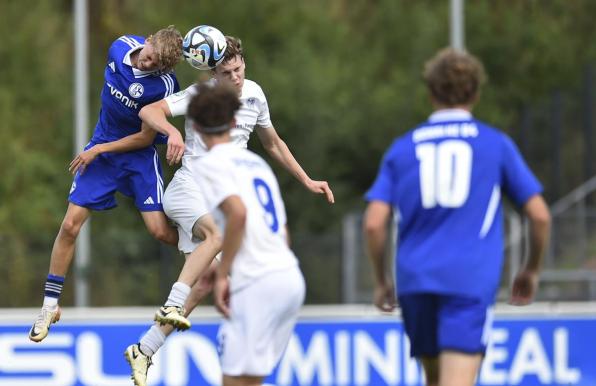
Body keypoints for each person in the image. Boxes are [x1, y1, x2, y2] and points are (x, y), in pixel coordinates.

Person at [72, 34, 333, 385]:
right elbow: (149, 110)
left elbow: (273, 142)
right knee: (215, 241)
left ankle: (145, 349)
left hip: (224, 192)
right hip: (191, 187)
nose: (235, 78)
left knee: (203, 280)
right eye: (226, 73)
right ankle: (172, 303)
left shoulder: (254, 95)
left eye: (238, 69)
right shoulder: (202, 95)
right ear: (213, 73)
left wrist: (306, 180)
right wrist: (172, 133)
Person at [363, 47, 551, 386]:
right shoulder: (495, 144)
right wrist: (531, 269)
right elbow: (538, 216)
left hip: (415, 280)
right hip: (467, 280)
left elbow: (374, 222)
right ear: (477, 92)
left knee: (435, 380)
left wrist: (381, 281)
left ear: (431, 92)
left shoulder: (403, 147)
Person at [28, 26, 184, 343]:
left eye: (156, 66)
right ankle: (50, 306)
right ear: (148, 40)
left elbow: (144, 137)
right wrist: (98, 147)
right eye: (149, 58)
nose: (148, 65)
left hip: (138, 156)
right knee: (70, 225)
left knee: (160, 231)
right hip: (102, 147)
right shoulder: (119, 47)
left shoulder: (166, 85)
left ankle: (207, 250)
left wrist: (98, 149)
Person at [195, 80, 305, 386]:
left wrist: (222, 273)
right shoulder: (256, 163)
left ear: (196, 128)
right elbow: (281, 232)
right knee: (252, 380)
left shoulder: (208, 164)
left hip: (256, 283)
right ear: (233, 121)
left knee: (234, 380)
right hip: (289, 277)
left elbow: (238, 214)